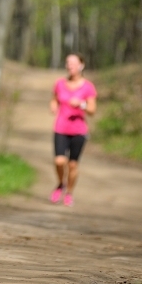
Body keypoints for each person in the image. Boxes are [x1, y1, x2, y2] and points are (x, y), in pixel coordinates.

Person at [49, 53, 97, 207]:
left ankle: (69, 193)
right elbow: (55, 98)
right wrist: (53, 105)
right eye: (68, 63)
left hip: (79, 130)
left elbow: (92, 110)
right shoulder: (60, 83)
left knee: (73, 165)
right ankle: (60, 184)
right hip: (61, 128)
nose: (69, 66)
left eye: (73, 63)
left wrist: (81, 104)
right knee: (59, 161)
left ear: (81, 65)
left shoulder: (88, 87)